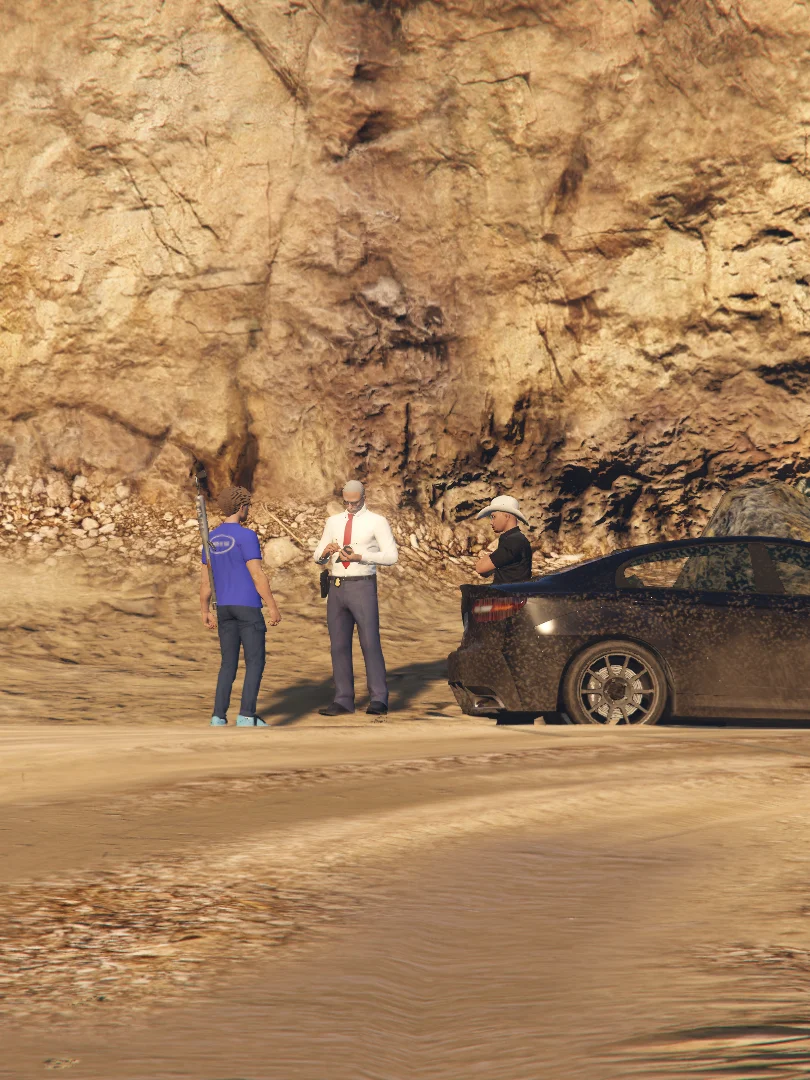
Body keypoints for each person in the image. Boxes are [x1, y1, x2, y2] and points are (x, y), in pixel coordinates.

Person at [313, 480, 398, 716]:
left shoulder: (377, 522)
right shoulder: (333, 522)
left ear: (363, 498)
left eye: (355, 502)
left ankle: (379, 698)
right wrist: (325, 552)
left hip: (362, 585)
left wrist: (361, 556)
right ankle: (343, 700)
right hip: (337, 586)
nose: (350, 507)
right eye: (346, 502)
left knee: (370, 643)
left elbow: (391, 556)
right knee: (338, 645)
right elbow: (317, 556)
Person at [200, 485, 282, 727]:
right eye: (248, 506)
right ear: (241, 507)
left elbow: (206, 581)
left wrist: (204, 610)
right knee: (255, 661)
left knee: (228, 663)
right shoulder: (246, 536)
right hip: (247, 607)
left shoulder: (210, 538)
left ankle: (218, 716)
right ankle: (246, 715)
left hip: (224, 608)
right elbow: (257, 574)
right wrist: (272, 606)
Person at [473, 494, 533, 583]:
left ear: (507, 516)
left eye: (494, 517)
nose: (491, 522)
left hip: (507, 591)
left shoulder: (513, 541)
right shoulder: (516, 538)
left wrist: (487, 557)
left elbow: (480, 568)